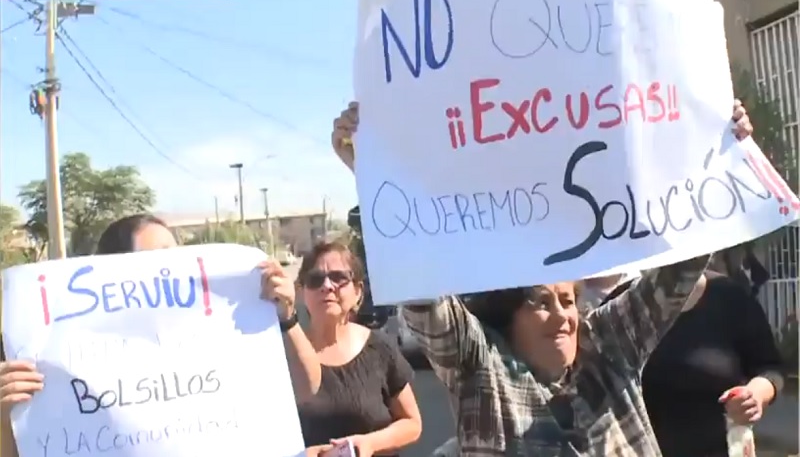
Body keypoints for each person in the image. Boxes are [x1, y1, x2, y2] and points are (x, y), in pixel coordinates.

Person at [331, 101, 756, 456]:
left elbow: (681, 267)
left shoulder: (609, 346)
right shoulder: (482, 370)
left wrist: (721, 156)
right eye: (542, 301)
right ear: (509, 311)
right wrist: (374, 174)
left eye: (568, 301)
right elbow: (424, 289)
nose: (563, 317)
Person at [0, 213, 322, 457]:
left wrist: (285, 318)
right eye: (162, 257)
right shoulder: (60, 352)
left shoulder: (220, 331)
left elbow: (306, 389)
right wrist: (6, 415)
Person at [588, 268, 783, 457]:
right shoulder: (621, 304)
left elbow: (770, 369)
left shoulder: (731, 297)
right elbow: (592, 381)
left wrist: (754, 395)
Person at [288, 240, 422, 457]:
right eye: (315, 280)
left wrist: (370, 443)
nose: (327, 286)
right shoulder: (286, 356)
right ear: (302, 292)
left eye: (339, 278)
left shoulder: (380, 347)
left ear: (358, 291)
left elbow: (412, 423)